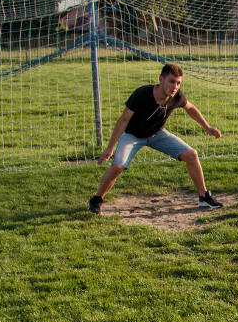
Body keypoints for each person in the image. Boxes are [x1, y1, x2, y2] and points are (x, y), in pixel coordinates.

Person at [89, 63, 224, 214]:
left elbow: (190, 108)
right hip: (133, 135)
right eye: (171, 81)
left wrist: (207, 127)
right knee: (117, 166)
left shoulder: (177, 96)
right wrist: (110, 147)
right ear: (161, 79)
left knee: (191, 154)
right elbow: (123, 120)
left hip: (157, 134)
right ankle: (96, 200)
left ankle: (203, 197)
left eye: (178, 83)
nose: (175, 86)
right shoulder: (142, 94)